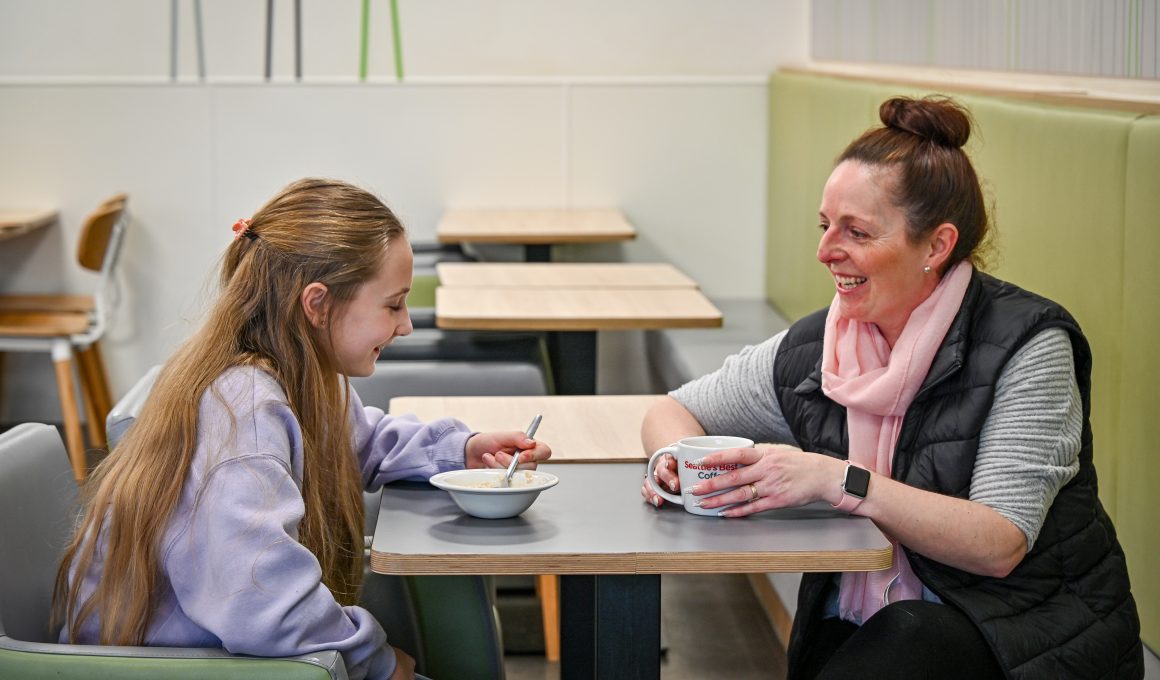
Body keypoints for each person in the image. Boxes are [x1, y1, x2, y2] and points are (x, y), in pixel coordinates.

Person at [641, 97, 1143, 679]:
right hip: (876, 625)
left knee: (908, 634)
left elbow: (999, 542)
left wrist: (836, 479)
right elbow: (674, 409)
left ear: (936, 246)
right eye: (825, 226)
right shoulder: (822, 344)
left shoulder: (1029, 345)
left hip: (1025, 635)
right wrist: (671, 463)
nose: (825, 252)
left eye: (856, 231)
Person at [54, 178, 552, 680]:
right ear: (317, 305)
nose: (406, 326)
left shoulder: (295, 373)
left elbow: (360, 440)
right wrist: (374, 662)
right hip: (169, 666)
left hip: (220, 650)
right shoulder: (244, 413)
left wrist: (460, 450)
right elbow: (262, 602)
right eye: (392, 304)